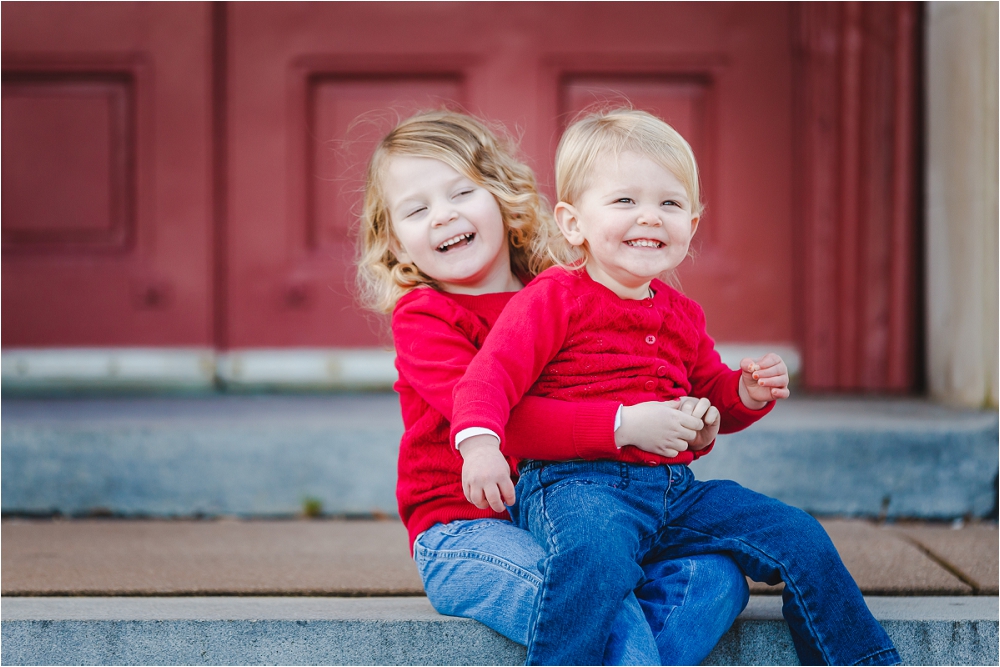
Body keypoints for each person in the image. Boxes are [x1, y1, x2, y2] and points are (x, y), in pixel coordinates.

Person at [451, 108, 902, 666]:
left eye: (669, 203)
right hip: (576, 489)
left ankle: (861, 660)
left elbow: (711, 392)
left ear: (691, 223)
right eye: (624, 201)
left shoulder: (682, 314)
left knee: (797, 535)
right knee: (594, 556)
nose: (650, 217)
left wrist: (745, 393)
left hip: (673, 490)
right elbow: (487, 378)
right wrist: (480, 445)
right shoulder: (552, 298)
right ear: (572, 224)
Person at [356, 109, 752, 665]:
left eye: (461, 193)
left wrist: (691, 417)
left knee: (717, 578)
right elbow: (502, 422)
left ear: (504, 199)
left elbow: (639, 379)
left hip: (588, 515)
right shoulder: (426, 317)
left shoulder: (564, 293)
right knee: (584, 597)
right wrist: (623, 424)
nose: (443, 216)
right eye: (417, 209)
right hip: (467, 532)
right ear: (395, 243)